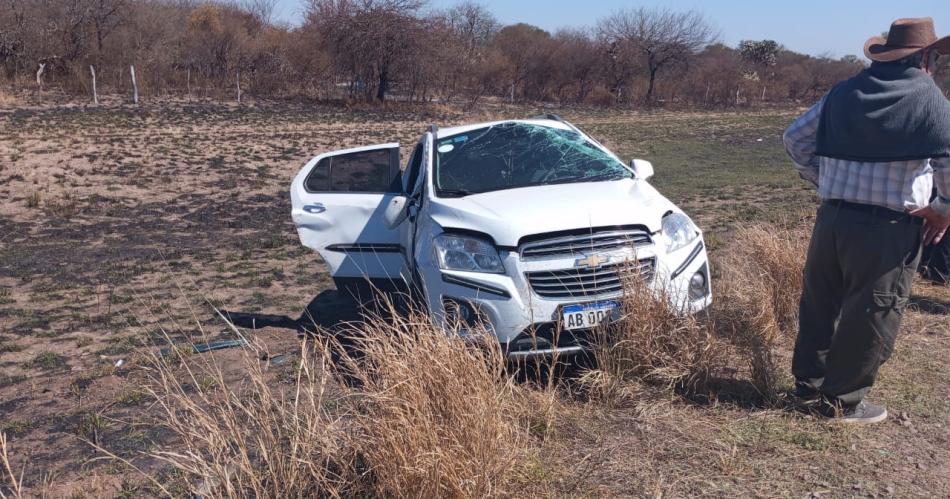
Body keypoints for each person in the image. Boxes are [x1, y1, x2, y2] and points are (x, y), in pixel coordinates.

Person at [783, 17, 950, 424]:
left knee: (820, 304)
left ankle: (808, 389)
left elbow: (795, 138)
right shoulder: (930, 101)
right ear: (926, 57)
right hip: (889, 228)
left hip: (832, 219)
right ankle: (841, 403)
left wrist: (824, 180)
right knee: (872, 313)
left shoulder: (842, 92)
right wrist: (942, 208)